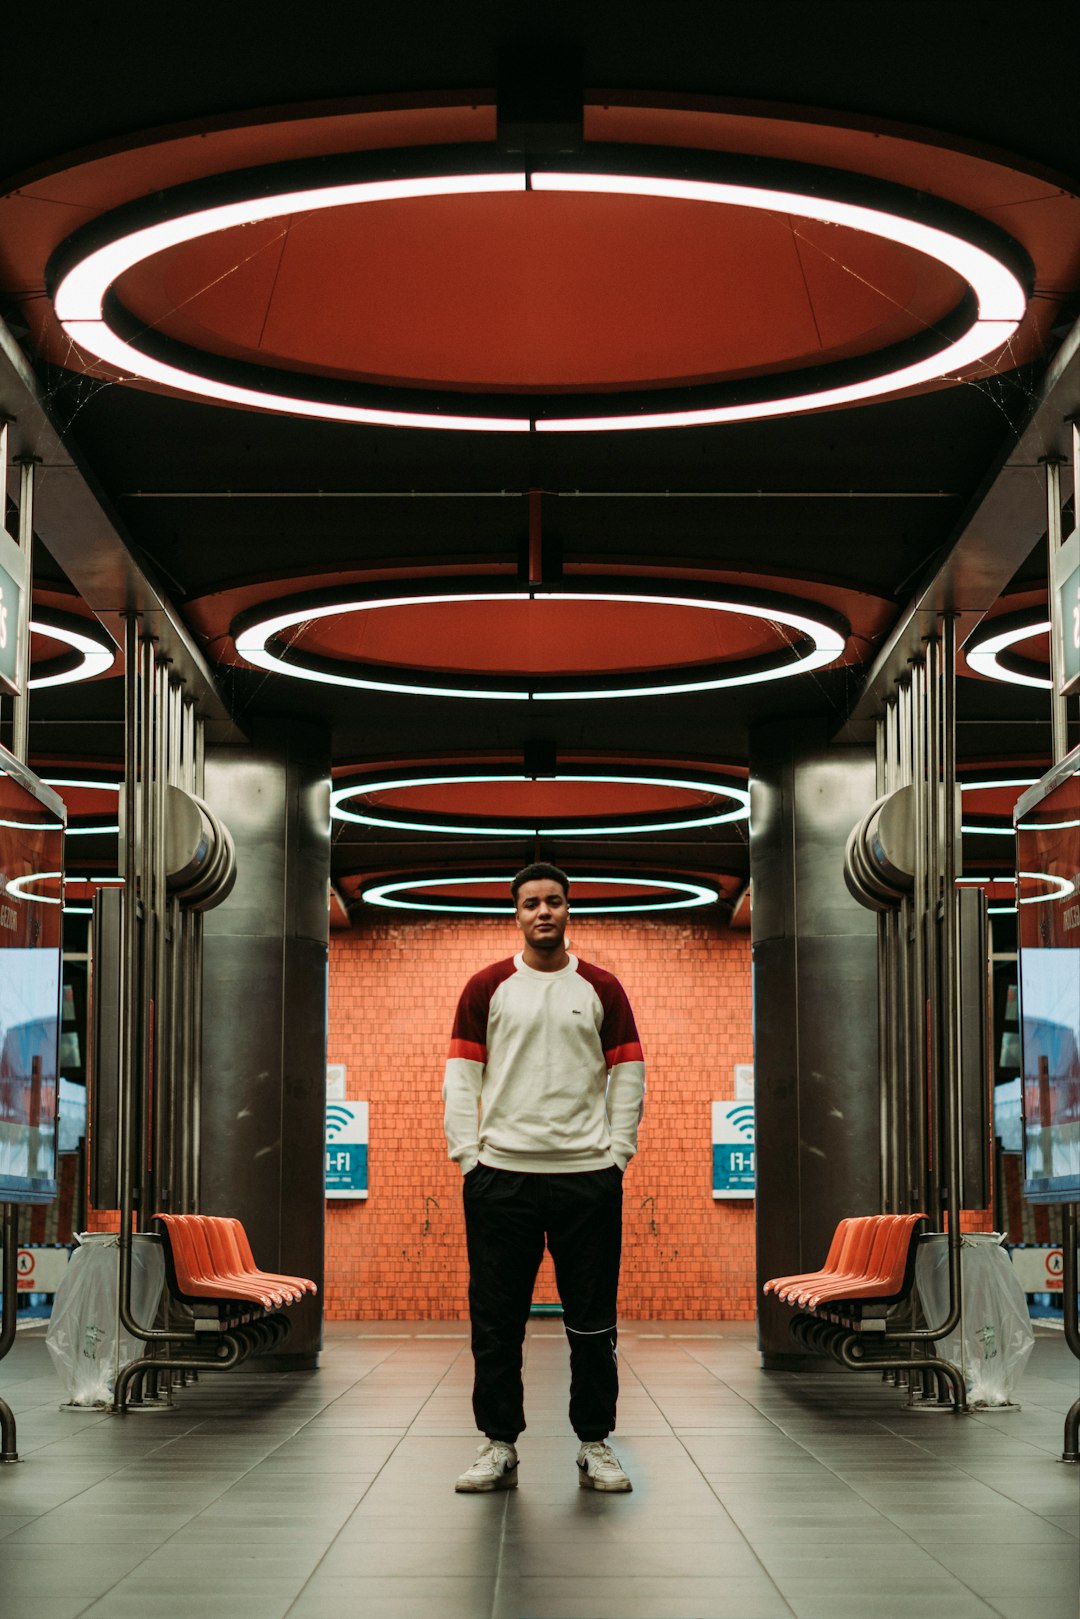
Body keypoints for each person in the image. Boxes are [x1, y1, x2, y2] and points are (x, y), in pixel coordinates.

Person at [442, 862, 645, 1494]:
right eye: (531, 903)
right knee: (497, 1322)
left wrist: (618, 1154)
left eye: (553, 902)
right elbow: (460, 1077)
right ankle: (499, 1443)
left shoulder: (602, 988)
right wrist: (468, 1158)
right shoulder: (487, 986)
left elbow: (629, 1075)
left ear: (567, 910)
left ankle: (595, 1443)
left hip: (588, 1179)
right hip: (501, 1179)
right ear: (517, 913)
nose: (543, 913)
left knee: (593, 1320)